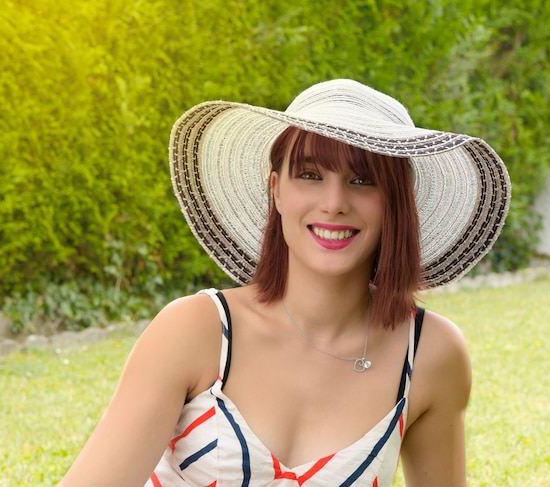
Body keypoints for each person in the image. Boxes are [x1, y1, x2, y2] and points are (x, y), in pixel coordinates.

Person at [58, 79, 511, 486]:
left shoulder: (431, 353)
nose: (334, 203)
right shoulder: (194, 331)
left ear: (395, 203)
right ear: (276, 190)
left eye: (362, 180)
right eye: (310, 175)